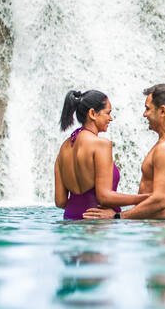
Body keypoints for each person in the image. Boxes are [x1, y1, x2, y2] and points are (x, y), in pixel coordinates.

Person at [90, 83, 165, 220]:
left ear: (162, 111)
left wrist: (118, 216)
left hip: (158, 227)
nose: (144, 114)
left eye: (148, 109)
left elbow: (160, 200)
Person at [54, 89, 147, 220]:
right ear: (92, 113)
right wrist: (146, 198)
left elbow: (60, 201)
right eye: (108, 113)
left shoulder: (64, 147)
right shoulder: (101, 144)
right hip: (97, 225)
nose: (111, 118)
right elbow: (104, 197)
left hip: (69, 221)